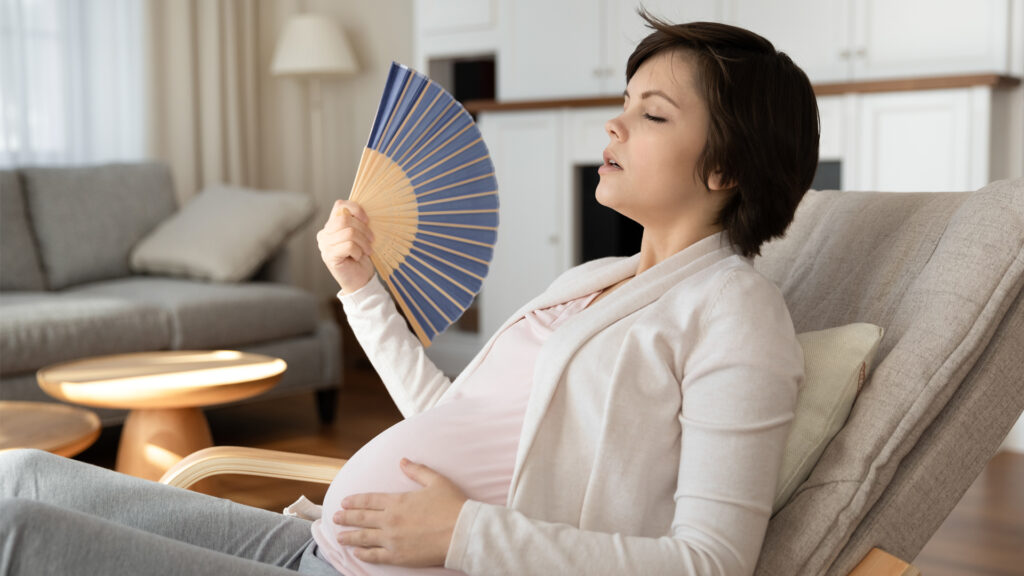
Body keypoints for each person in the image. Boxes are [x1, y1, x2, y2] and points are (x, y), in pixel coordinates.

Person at [0, 10, 818, 576]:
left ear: (727, 168)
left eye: (653, 114)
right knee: (25, 477)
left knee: (15, 532)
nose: (614, 125)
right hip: (313, 544)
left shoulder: (735, 315)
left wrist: (464, 535)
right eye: (623, 105)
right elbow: (448, 419)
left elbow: (710, 561)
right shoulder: (595, 282)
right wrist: (359, 288)